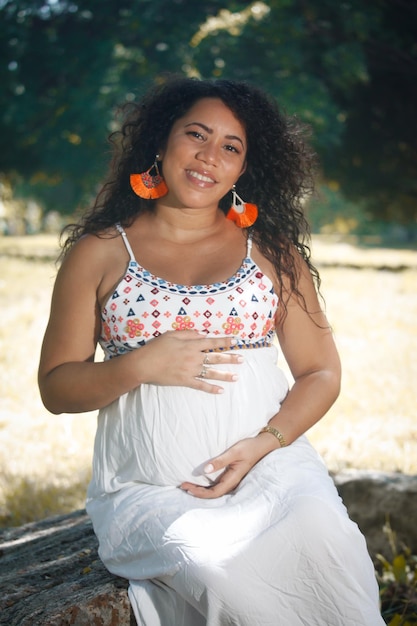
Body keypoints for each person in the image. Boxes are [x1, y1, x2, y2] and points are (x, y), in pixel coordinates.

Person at [38, 76, 384, 625]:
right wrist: (137, 365)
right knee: (212, 569)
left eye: (230, 146)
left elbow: (320, 372)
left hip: (271, 469)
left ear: (245, 167)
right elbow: (57, 387)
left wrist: (262, 446)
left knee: (326, 540)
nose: (208, 157)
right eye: (195, 135)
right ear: (160, 141)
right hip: (152, 490)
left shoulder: (272, 251)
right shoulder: (100, 252)